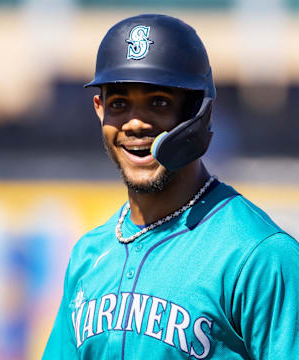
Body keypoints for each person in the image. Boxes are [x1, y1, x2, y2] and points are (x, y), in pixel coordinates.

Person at [43, 14, 299, 359]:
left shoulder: (259, 254)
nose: (134, 123)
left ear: (199, 113)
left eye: (159, 103)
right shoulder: (88, 254)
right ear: (99, 109)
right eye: (119, 104)